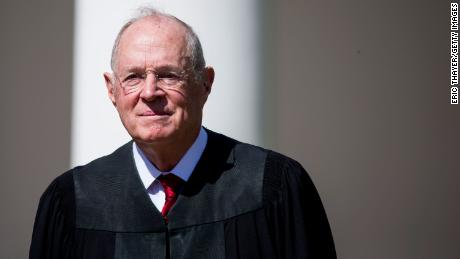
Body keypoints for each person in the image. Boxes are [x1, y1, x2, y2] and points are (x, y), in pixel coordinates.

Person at [29, 7, 336, 259]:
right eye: (133, 77)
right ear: (112, 89)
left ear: (205, 83)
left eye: (167, 75)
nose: (149, 92)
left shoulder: (273, 187)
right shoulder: (71, 201)